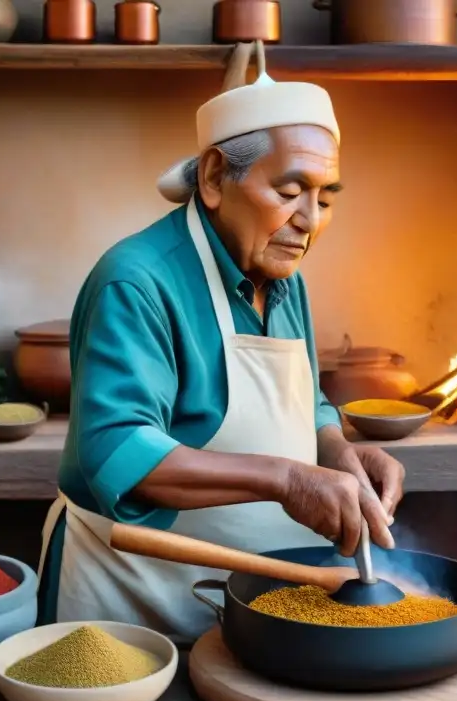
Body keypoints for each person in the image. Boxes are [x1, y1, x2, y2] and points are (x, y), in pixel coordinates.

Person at [37, 44, 406, 640]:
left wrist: (336, 450)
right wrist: (287, 480)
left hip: (254, 607)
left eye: (327, 197)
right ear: (214, 178)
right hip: (130, 602)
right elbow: (116, 452)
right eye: (290, 192)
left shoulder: (287, 282)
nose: (311, 219)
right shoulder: (137, 281)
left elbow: (307, 402)